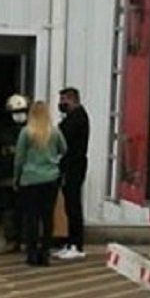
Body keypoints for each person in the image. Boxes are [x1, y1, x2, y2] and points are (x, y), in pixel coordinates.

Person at [14, 101, 66, 267]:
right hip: (50, 178)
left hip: (30, 179)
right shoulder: (55, 132)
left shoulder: (26, 132)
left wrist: (16, 178)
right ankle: (45, 253)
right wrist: (53, 159)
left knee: (32, 218)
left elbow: (19, 158)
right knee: (47, 217)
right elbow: (64, 149)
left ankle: (32, 253)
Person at [54, 87, 90, 260]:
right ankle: (70, 243)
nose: (61, 104)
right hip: (70, 165)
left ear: (72, 99)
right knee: (69, 205)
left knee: (73, 205)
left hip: (74, 166)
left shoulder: (77, 118)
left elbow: (62, 136)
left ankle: (76, 244)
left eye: (63, 100)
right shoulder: (72, 117)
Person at [0, 94, 29, 253]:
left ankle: (25, 240)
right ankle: (11, 239)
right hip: (7, 176)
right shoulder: (3, 133)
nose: (19, 115)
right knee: (9, 210)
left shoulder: (31, 131)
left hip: (26, 177)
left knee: (25, 210)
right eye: (16, 112)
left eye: (22, 111)